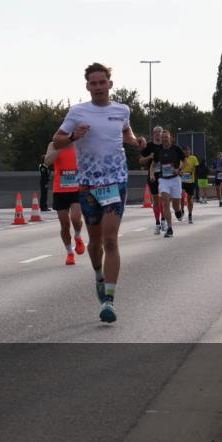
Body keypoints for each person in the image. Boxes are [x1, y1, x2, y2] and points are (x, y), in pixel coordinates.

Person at [53, 63, 145, 324]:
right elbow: (56, 140)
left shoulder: (121, 110)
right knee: (94, 243)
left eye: (101, 83)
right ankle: (98, 275)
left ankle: (109, 300)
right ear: (87, 87)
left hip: (116, 180)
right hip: (88, 184)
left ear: (110, 84)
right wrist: (72, 137)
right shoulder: (78, 112)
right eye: (93, 84)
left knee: (111, 240)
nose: (97, 87)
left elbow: (125, 131)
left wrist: (135, 141)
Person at [44, 141, 85, 265]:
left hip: (77, 189)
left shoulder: (79, 144)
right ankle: (69, 253)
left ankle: (77, 236)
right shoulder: (54, 145)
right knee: (64, 225)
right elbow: (47, 161)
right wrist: (60, 146)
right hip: (60, 190)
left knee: (75, 219)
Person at [151, 130, 186, 237]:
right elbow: (153, 164)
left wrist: (179, 169)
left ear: (170, 138)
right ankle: (169, 228)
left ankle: (178, 211)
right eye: (163, 137)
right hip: (163, 179)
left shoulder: (176, 149)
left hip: (175, 179)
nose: (165, 139)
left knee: (176, 205)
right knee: (165, 203)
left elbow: (185, 162)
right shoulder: (158, 151)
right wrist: (152, 174)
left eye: (167, 137)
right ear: (161, 139)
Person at [138, 126, 164, 234]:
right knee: (156, 200)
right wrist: (149, 156)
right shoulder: (149, 146)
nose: (158, 134)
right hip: (152, 175)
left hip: (164, 175)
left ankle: (164, 221)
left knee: (164, 198)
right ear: (153, 134)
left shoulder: (166, 145)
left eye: (159, 132)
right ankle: (157, 223)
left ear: (162, 134)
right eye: (156, 132)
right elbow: (140, 161)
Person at [180, 145, 199, 223]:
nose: (186, 152)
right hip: (182, 180)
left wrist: (196, 178)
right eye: (184, 151)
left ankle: (190, 214)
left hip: (191, 181)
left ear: (190, 151)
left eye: (187, 150)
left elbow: (197, 168)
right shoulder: (180, 159)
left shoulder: (193, 158)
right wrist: (180, 173)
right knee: (181, 196)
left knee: (189, 199)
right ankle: (182, 210)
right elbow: (177, 168)